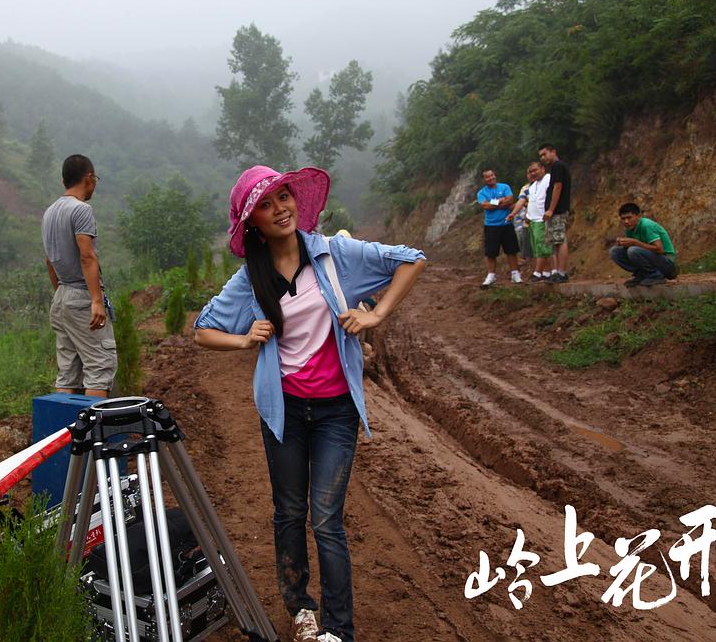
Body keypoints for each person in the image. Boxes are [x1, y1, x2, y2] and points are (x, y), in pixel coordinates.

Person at [193, 165, 425, 642]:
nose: (280, 208)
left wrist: (377, 314)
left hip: (336, 410)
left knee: (326, 518)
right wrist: (244, 341)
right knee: (289, 512)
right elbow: (203, 330)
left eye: (283, 197)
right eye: (265, 204)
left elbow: (411, 259)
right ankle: (300, 608)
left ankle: (339, 629)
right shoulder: (251, 277)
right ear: (252, 222)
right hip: (285, 412)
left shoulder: (334, 253)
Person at [41, 154, 117, 397]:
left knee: (68, 371)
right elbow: (87, 256)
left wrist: (61, 295)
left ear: (64, 180)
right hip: (82, 295)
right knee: (99, 367)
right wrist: (96, 300)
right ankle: (94, 423)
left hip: (61, 296)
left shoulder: (49, 213)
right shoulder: (81, 210)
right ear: (89, 178)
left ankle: (63, 422)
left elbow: (49, 261)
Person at [610, 202, 677, 286]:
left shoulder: (647, 225)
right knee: (615, 251)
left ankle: (655, 276)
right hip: (653, 261)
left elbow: (660, 250)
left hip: (667, 265)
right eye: (623, 219)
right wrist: (623, 243)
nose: (626, 221)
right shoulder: (629, 228)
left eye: (629, 218)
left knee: (633, 250)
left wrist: (635, 243)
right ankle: (641, 274)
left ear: (638, 216)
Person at [476, 168, 521, 287]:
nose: (491, 178)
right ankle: (491, 275)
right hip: (491, 225)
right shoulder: (481, 193)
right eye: (487, 177)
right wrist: (500, 201)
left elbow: (510, 200)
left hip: (506, 223)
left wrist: (493, 203)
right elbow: (485, 206)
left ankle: (515, 274)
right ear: (484, 179)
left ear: (495, 175)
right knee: (491, 252)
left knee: (511, 250)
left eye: (492, 175)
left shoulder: (504, 187)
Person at [538, 143, 571, 283]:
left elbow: (558, 187)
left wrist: (551, 209)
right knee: (555, 241)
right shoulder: (556, 167)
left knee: (560, 240)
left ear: (553, 152)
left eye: (544, 154)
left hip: (558, 210)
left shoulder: (558, 166)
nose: (543, 158)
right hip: (556, 210)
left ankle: (562, 272)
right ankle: (557, 271)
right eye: (541, 156)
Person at [523, 160, 556, 282]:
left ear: (542, 169)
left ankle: (544, 272)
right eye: (530, 172)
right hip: (533, 220)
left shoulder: (548, 178)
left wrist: (550, 210)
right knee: (538, 248)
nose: (533, 173)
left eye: (535, 170)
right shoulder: (532, 186)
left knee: (546, 247)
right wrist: (528, 215)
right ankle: (546, 272)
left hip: (543, 218)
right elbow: (531, 202)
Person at [506, 167, 534, 269]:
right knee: (524, 245)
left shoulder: (544, 184)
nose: (531, 175)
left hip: (532, 223)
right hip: (520, 227)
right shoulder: (525, 189)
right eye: (528, 173)